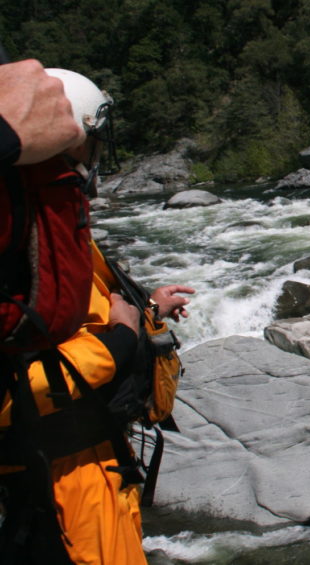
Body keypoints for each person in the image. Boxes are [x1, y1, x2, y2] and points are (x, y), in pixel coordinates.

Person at [0, 65, 194, 564]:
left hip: (95, 464)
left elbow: (92, 312)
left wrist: (148, 307)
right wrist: (120, 344)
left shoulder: (50, 219)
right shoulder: (22, 231)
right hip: (54, 480)